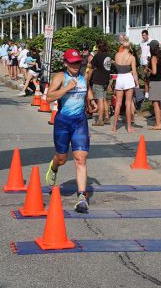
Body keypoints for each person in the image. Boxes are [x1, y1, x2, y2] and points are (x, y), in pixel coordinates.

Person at [45, 49, 97, 213]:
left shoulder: (84, 77)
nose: (76, 66)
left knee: (80, 158)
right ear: (66, 63)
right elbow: (49, 98)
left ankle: (82, 197)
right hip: (63, 122)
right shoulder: (60, 77)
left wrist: (92, 100)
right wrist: (67, 88)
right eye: (72, 63)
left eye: (78, 63)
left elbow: (86, 89)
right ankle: (53, 166)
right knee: (62, 158)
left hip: (80, 122)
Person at [112, 38, 139, 133]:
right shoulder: (132, 57)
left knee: (118, 103)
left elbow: (117, 67)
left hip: (120, 78)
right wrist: (137, 83)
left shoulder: (117, 55)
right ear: (130, 46)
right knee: (128, 103)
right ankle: (129, 127)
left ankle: (114, 126)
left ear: (122, 46)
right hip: (128, 78)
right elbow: (134, 72)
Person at [145, 40, 161, 130]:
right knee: (159, 103)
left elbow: (154, 71)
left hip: (155, 82)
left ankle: (158, 124)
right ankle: (159, 122)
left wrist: (148, 69)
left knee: (155, 103)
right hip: (160, 81)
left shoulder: (154, 57)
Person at [91, 40, 112, 126]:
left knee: (99, 99)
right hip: (106, 79)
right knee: (104, 98)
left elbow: (91, 65)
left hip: (98, 79)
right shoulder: (108, 56)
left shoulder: (97, 56)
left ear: (98, 47)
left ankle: (100, 119)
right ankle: (107, 117)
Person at [140, 30, 151, 99]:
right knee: (145, 78)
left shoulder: (151, 41)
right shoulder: (141, 42)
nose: (143, 36)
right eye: (142, 35)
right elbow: (142, 51)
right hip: (143, 62)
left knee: (150, 78)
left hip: (149, 63)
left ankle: (151, 93)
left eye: (144, 35)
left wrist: (148, 63)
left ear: (147, 35)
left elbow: (150, 52)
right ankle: (146, 94)